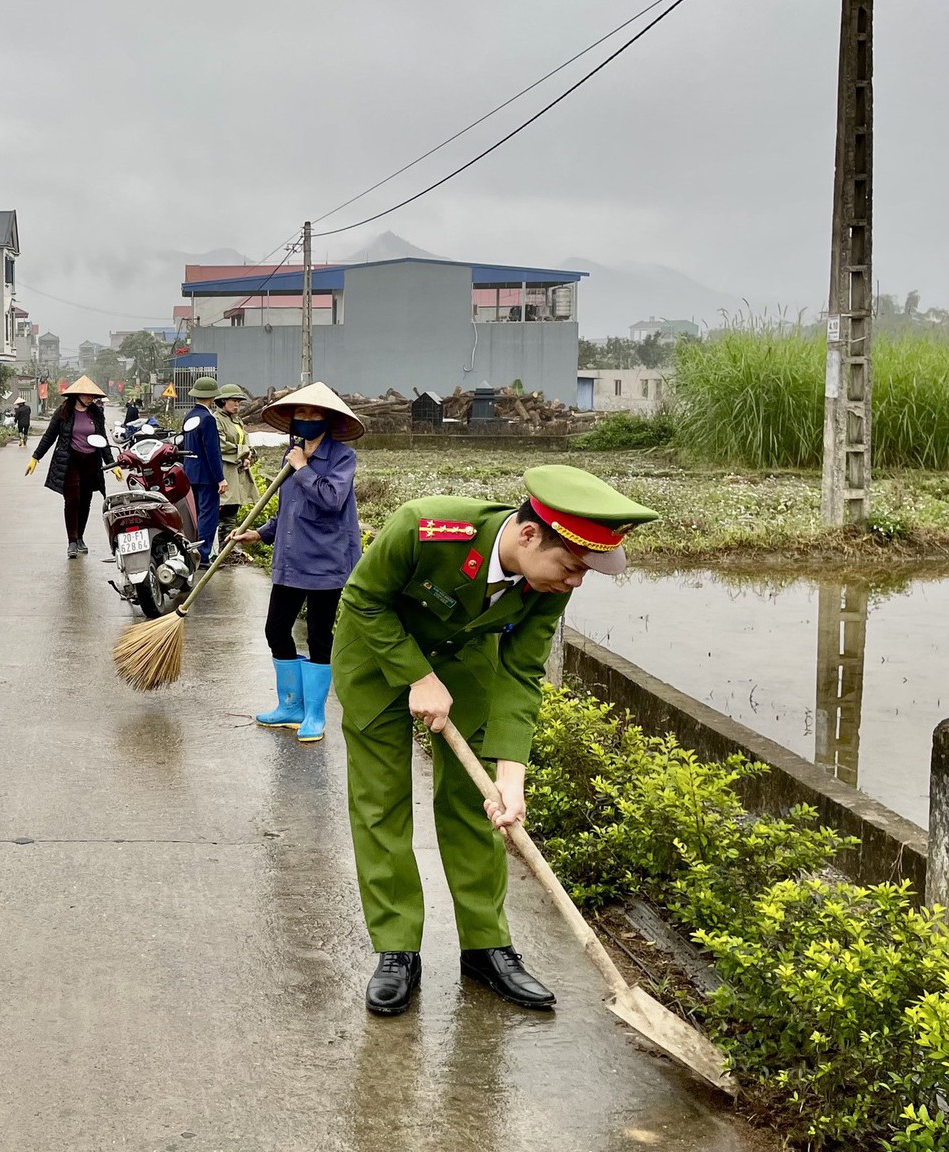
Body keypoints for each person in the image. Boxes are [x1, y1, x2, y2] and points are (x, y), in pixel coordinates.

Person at [332, 464, 660, 1017]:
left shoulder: (549, 579)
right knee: (380, 804)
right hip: (377, 658)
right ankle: (397, 949)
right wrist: (416, 675)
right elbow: (364, 598)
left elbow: (522, 670)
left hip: (464, 665)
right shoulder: (425, 527)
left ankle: (485, 946)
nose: (575, 581)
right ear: (529, 534)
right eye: (573, 566)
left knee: (474, 806)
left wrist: (512, 777)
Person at [228, 382, 362, 745]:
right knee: (276, 629)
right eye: (299, 414)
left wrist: (302, 468)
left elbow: (331, 500)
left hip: (326, 560)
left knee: (319, 636)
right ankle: (290, 706)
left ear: (328, 420)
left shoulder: (342, 458)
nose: (305, 420)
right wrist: (258, 534)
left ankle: (315, 714)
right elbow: (290, 510)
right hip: (291, 558)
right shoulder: (293, 452)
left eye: (313, 414)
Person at [26, 374, 116, 559]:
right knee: (72, 500)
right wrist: (36, 457)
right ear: (77, 395)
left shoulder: (96, 413)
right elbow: (49, 436)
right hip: (70, 461)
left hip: (91, 462)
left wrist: (111, 463)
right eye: (86, 395)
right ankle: (72, 541)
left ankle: (81, 536)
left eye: (93, 396)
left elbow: (103, 440)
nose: (90, 398)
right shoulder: (64, 411)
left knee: (85, 501)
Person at [179, 376, 226, 558]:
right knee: (208, 515)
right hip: (206, 476)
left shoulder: (189, 416)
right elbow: (212, 452)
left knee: (194, 514)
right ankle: (203, 554)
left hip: (190, 473)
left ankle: (191, 551)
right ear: (212, 397)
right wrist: (220, 478)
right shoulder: (208, 419)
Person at [215, 383, 260, 541]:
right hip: (226, 469)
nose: (237, 404)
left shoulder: (237, 420)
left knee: (233, 508)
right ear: (223, 401)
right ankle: (222, 546)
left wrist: (249, 456)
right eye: (233, 401)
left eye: (239, 402)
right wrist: (244, 452)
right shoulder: (217, 420)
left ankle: (227, 547)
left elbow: (246, 441)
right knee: (225, 509)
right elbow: (220, 445)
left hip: (239, 469)